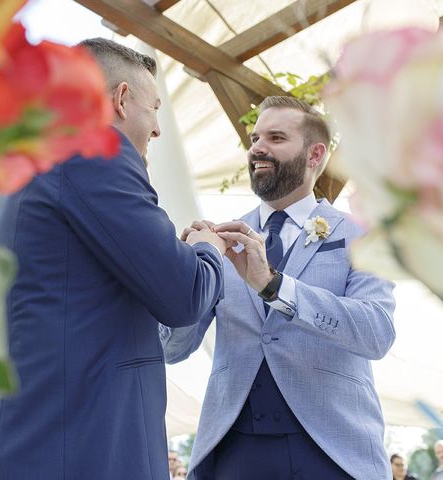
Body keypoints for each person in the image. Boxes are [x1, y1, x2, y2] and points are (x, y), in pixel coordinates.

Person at [0, 38, 226, 480]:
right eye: (154, 108)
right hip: (83, 448)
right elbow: (185, 294)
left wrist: (166, 255)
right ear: (121, 99)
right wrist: (206, 251)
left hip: (31, 443)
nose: (157, 129)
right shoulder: (94, 152)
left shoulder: (29, 170)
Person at [161, 96, 396, 479]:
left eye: (276, 137)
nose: (257, 147)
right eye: (254, 138)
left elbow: (377, 333)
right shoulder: (220, 242)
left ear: (314, 154)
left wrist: (275, 287)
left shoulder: (359, 235)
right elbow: (173, 349)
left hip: (332, 451)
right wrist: (182, 276)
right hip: (233, 451)